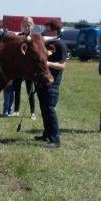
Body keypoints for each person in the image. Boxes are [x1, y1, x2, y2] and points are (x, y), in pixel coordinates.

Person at [35, 19, 67, 147]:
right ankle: (47, 134)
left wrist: (46, 64)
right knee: (44, 109)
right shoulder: (46, 43)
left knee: (50, 109)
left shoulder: (60, 45)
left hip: (52, 83)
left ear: (55, 30)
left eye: (47, 29)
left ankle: (55, 139)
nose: (44, 31)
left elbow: (62, 65)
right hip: (42, 82)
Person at [12, 16, 37, 120]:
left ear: (32, 26)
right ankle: (16, 111)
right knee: (16, 90)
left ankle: (32, 113)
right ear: (21, 26)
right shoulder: (18, 36)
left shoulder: (35, 37)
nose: (26, 27)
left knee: (30, 91)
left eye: (28, 25)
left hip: (29, 68)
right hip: (19, 68)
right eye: (24, 25)